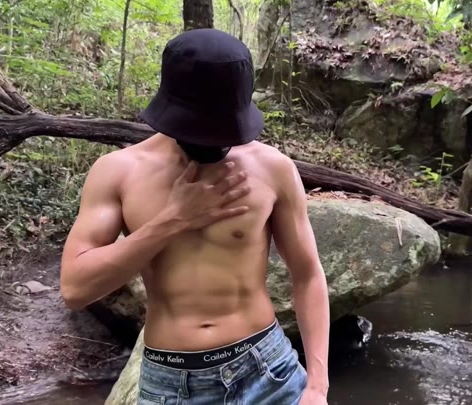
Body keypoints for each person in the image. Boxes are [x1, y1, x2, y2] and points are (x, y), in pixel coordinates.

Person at [59, 28, 330, 405]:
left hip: (269, 371)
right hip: (173, 385)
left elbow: (308, 273)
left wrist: (317, 385)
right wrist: (173, 219)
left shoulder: (273, 169)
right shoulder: (118, 172)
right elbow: (75, 289)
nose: (213, 143)